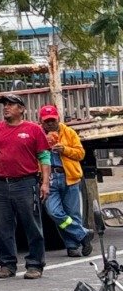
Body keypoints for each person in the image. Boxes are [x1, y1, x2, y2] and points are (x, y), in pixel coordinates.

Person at [0, 94, 51, 279]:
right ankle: (7, 264)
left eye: (11, 104)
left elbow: (44, 157)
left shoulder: (34, 130)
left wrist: (45, 183)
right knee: (3, 226)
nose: (6, 107)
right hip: (1, 184)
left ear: (21, 109)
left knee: (32, 225)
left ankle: (35, 264)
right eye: (5, 104)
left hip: (26, 183)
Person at [40, 103, 95, 257]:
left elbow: (80, 154)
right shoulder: (38, 135)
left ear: (58, 119)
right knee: (54, 212)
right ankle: (83, 234)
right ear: (41, 121)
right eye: (47, 121)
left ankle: (72, 246)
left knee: (73, 214)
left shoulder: (69, 132)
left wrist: (64, 149)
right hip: (49, 179)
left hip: (69, 177)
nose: (50, 123)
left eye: (53, 120)